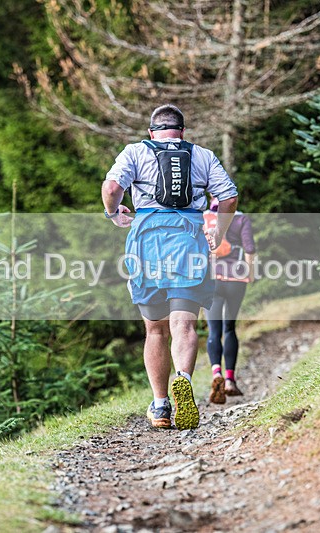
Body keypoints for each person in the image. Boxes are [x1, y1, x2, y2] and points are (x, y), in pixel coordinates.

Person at [102, 104, 238, 429]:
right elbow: (229, 197)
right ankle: (185, 382)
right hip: (189, 241)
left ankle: (161, 406)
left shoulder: (135, 151)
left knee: (155, 329)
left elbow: (111, 189)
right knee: (184, 325)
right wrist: (217, 230)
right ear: (182, 132)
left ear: (152, 132)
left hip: (146, 242)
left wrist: (113, 213)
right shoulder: (202, 155)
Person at [205, 197, 256, 404]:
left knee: (213, 329)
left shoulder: (205, 217)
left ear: (211, 197)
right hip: (236, 278)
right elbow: (250, 249)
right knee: (229, 328)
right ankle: (230, 381)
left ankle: (215, 372)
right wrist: (250, 273)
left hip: (212, 280)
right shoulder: (240, 218)